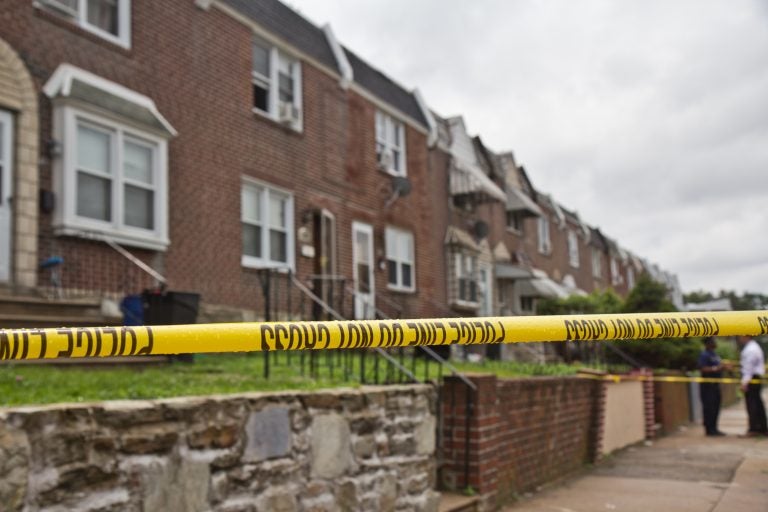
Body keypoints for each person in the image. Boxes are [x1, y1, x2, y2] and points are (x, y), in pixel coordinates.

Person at [736, 335, 767, 437]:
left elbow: (748, 368)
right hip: (754, 378)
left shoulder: (751, 349)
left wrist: (744, 382)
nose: (739, 338)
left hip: (752, 378)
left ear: (746, 336)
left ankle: (755, 428)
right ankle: (761, 427)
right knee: (757, 403)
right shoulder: (753, 347)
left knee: (752, 404)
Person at [698, 337, 725, 436]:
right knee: (709, 407)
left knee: (716, 407)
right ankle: (709, 429)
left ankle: (714, 428)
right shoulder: (704, 355)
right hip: (708, 386)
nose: (715, 342)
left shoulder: (715, 354)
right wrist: (716, 368)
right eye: (713, 341)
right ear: (708, 343)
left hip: (715, 385)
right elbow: (702, 368)